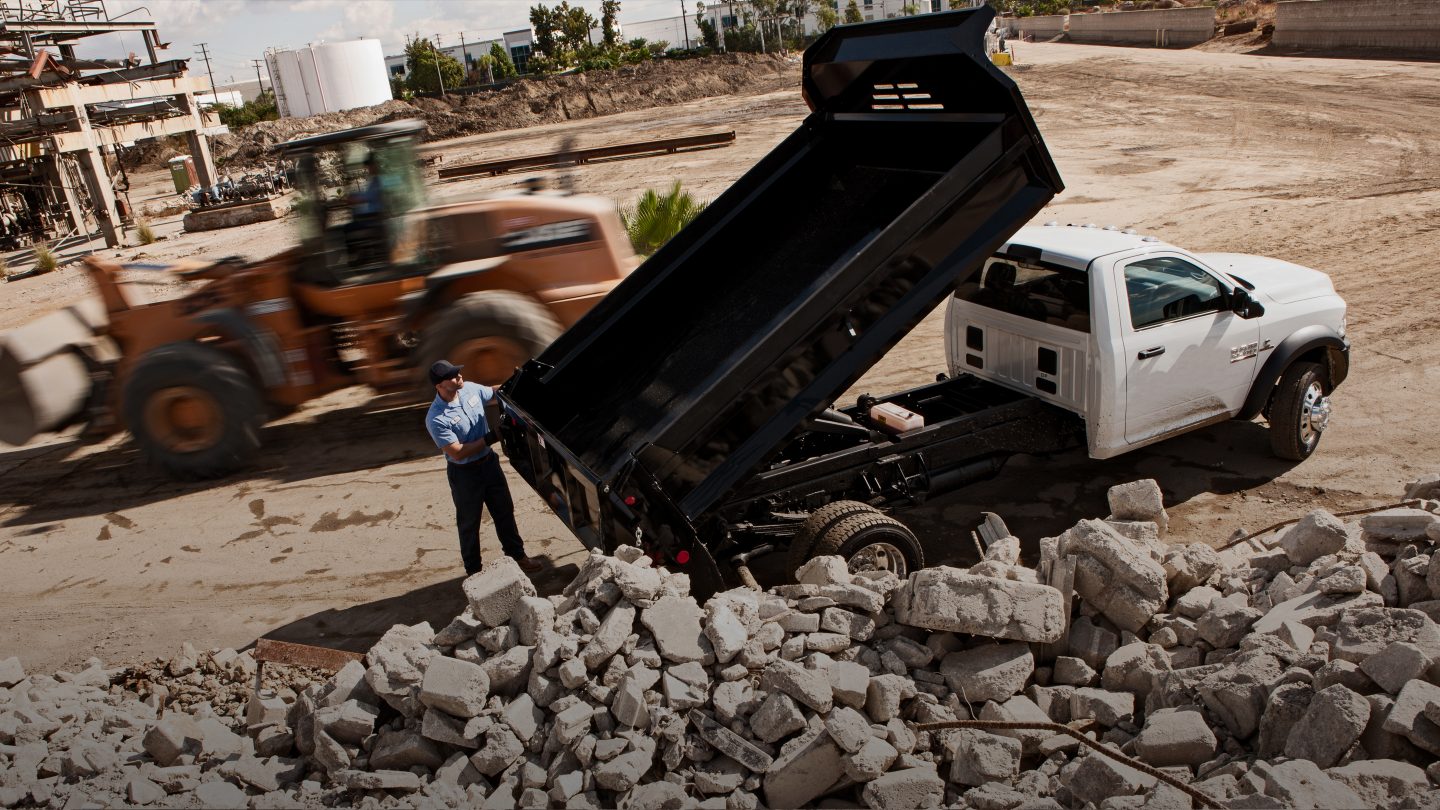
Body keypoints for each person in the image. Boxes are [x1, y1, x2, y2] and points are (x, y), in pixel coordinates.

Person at [425, 359, 543, 576]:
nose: (459, 376)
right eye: (452, 376)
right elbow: (458, 451)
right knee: (469, 523)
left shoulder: (469, 389)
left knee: (504, 511)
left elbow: (492, 392)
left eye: (457, 372)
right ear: (439, 386)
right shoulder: (436, 418)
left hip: (489, 464)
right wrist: (491, 437)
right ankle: (474, 572)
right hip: (464, 475)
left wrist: (514, 384)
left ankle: (518, 556)